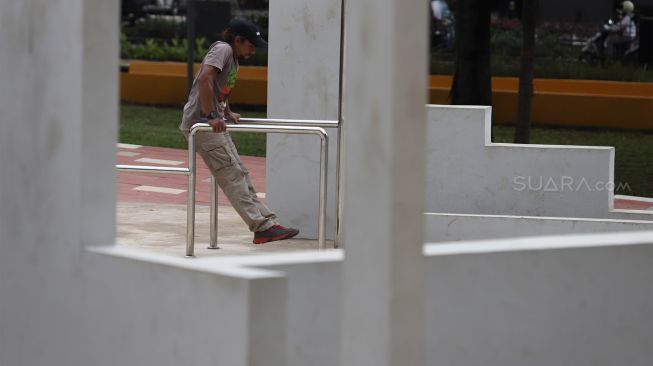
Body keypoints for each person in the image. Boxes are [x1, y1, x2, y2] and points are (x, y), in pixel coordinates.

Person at [179, 18, 299, 244]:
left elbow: (219, 88)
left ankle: (268, 222)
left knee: (240, 173)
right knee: (232, 176)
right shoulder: (223, 49)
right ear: (238, 40)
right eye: (251, 46)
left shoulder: (232, 57)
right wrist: (211, 115)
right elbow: (206, 78)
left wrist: (225, 111)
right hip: (203, 125)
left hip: (212, 123)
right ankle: (261, 227)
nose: (253, 51)